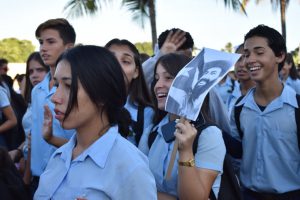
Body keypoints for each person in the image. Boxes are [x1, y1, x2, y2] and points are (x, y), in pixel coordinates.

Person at [34, 45, 157, 199]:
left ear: (102, 95)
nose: (55, 97)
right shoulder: (59, 157)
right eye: (57, 85)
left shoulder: (130, 165)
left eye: (69, 86)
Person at [138, 53, 226, 200]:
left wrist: (186, 151)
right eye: (157, 78)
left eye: (168, 77)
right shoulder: (151, 133)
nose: (158, 85)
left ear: (190, 84)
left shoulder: (209, 134)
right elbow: (139, 186)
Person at [230, 24, 300, 199]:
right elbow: (238, 151)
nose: (250, 60)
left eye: (259, 52)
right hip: (249, 195)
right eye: (246, 54)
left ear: (280, 55)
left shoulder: (297, 106)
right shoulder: (239, 108)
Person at [30, 18, 76, 194]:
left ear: (69, 47)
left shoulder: (79, 90)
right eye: (41, 42)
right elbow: (34, 135)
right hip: (37, 178)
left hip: (66, 176)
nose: (43, 48)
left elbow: (84, 142)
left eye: (50, 41)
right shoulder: (37, 91)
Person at [9, 52, 49, 187]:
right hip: (28, 165)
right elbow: (30, 136)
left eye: (40, 70)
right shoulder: (34, 99)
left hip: (41, 171)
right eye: (31, 71)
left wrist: (27, 175)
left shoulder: (53, 100)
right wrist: (19, 151)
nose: (34, 75)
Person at [105, 39, 154, 145]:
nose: (117, 66)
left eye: (125, 61)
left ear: (136, 72)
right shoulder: (85, 107)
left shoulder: (147, 114)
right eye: (111, 59)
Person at [227, 44, 255, 117]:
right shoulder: (232, 95)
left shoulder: (264, 95)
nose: (242, 65)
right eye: (238, 59)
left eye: (246, 58)